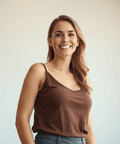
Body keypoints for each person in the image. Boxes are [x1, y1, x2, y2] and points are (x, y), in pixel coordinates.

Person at [15, 15, 95, 144]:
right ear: (50, 41)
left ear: (78, 41)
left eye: (71, 34)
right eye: (58, 35)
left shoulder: (83, 78)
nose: (65, 39)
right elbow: (21, 119)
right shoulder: (39, 71)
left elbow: (88, 126)